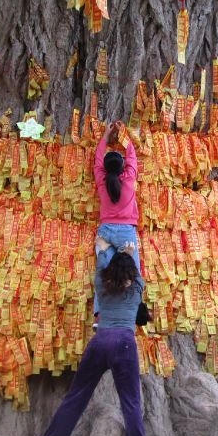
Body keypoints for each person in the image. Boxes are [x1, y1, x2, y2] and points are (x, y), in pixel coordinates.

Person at [30, 238, 162, 436]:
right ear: (131, 276)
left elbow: (102, 261)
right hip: (124, 344)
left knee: (76, 396)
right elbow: (136, 271)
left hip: (99, 342)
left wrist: (103, 248)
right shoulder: (136, 289)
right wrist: (129, 252)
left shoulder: (101, 285)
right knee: (131, 402)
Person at [93, 120, 141, 319]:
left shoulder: (101, 181)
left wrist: (105, 136)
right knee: (133, 271)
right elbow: (132, 156)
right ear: (123, 168)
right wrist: (123, 135)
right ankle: (132, 312)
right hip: (126, 233)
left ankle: (100, 314)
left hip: (105, 231)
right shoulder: (129, 179)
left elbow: (97, 159)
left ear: (105, 168)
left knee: (104, 271)